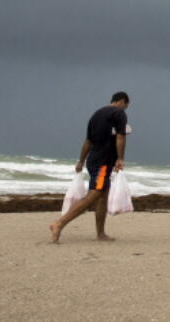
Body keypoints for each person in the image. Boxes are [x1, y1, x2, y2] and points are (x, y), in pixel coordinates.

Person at [50, 92, 130, 243]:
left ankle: (100, 234)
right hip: (103, 163)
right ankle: (59, 224)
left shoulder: (96, 114)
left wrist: (81, 161)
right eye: (126, 106)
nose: (125, 109)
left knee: (102, 196)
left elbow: (88, 140)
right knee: (95, 194)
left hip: (93, 160)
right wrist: (120, 158)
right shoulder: (119, 113)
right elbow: (121, 136)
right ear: (122, 101)